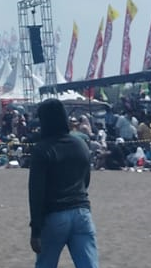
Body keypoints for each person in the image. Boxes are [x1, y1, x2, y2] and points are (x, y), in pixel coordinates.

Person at [28, 98, 99, 268]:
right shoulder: (80, 144)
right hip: (81, 212)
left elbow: (36, 192)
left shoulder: (42, 149)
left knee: (46, 264)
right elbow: (86, 180)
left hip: (54, 215)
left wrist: (35, 230)